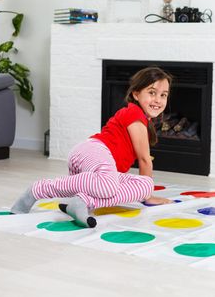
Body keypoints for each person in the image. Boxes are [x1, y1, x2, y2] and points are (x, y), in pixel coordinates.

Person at [11, 67, 173, 228]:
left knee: (143, 185)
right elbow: (144, 159)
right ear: (136, 94)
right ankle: (38, 189)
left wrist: (146, 192)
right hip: (92, 151)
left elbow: (143, 172)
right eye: (152, 92)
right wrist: (148, 197)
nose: (158, 100)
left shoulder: (144, 119)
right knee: (113, 186)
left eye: (163, 95)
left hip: (96, 174)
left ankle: (81, 202)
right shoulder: (134, 114)